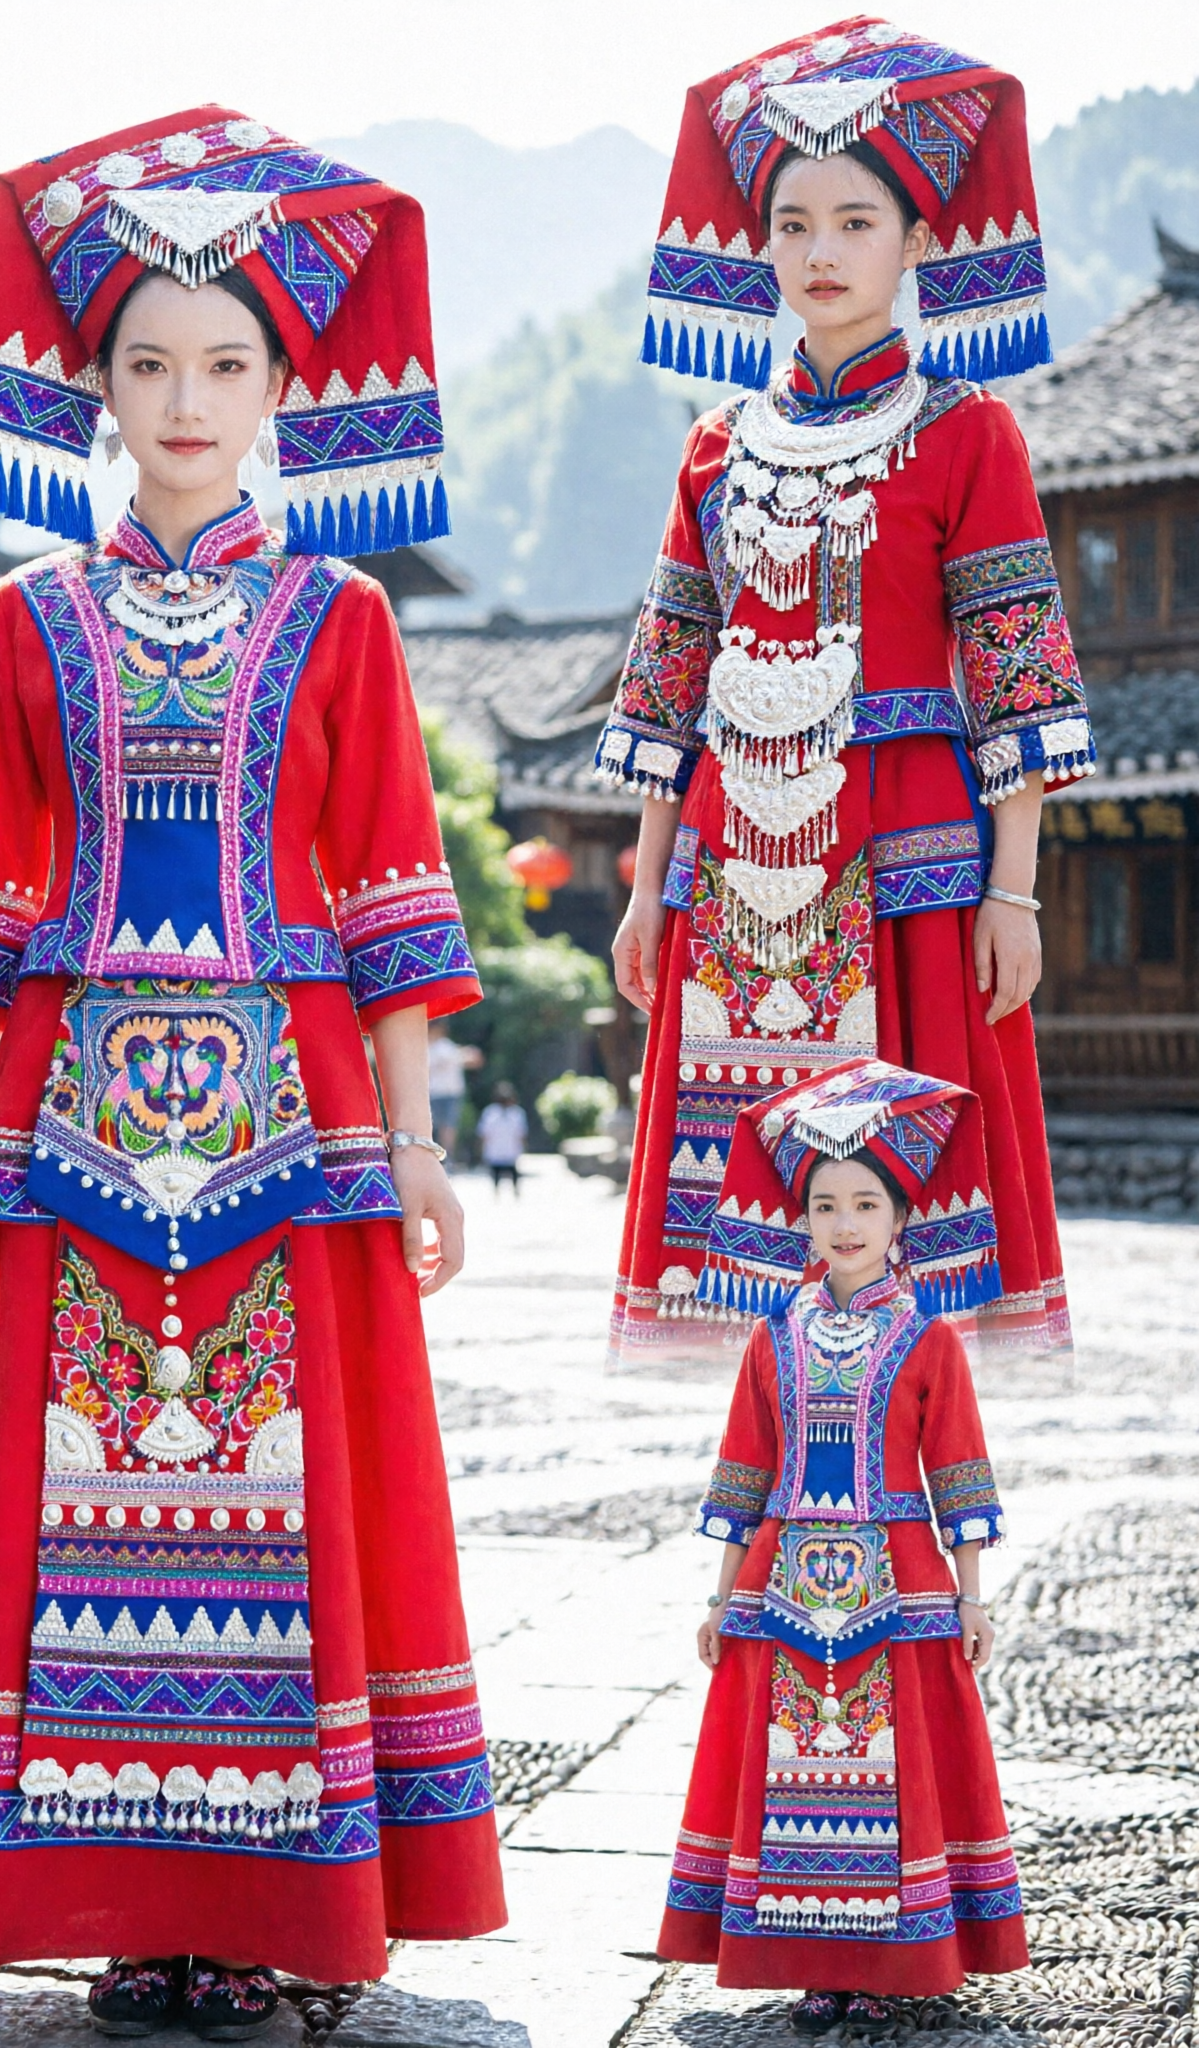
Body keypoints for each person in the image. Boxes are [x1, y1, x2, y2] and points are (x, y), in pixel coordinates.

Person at [0, 107, 506, 2025]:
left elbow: (391, 891)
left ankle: (276, 1899)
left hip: (290, 1124)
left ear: (281, 387)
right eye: (145, 362)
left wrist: (410, 1145)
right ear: (93, 388)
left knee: (284, 1500)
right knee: (73, 1503)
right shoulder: (20, 622)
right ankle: (119, 1895)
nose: (183, 395)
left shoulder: (344, 619)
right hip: (61, 1129)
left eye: (224, 363)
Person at [598, 21, 1094, 1367]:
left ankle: (909, 1512)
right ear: (759, 243)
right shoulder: (714, 446)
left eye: (856, 220)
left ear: (917, 241)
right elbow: (667, 690)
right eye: (795, 221)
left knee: (913, 1222)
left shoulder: (968, 430)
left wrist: (1014, 889)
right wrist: (647, 890)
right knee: (743, 1238)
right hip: (731, 858)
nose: (822, 250)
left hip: (908, 853)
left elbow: (1016, 676)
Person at [665, 1056, 1025, 2027]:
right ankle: (820, 1965)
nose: (844, 1221)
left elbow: (955, 1473)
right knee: (793, 1770)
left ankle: (888, 1964)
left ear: (899, 1217)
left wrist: (970, 1594)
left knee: (893, 1769)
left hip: (896, 1586)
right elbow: (741, 1472)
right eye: (824, 1203)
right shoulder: (769, 1335)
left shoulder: (927, 1339)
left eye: (865, 1201)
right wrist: (716, 1593)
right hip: (783, 1585)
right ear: (803, 1219)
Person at [425, 1019, 481, 1161]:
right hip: (433, 1094)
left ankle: (446, 1157)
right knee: (434, 1127)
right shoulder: (427, 1048)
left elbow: (471, 1058)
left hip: (450, 1094)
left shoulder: (446, 1047)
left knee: (448, 1128)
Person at [476, 1082, 527, 1195]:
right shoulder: (490, 1113)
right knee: (496, 1172)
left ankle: (514, 1190)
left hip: (510, 1150)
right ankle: (497, 1191)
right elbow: (484, 1134)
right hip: (496, 1150)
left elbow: (521, 1133)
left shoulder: (516, 1113)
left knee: (512, 1171)